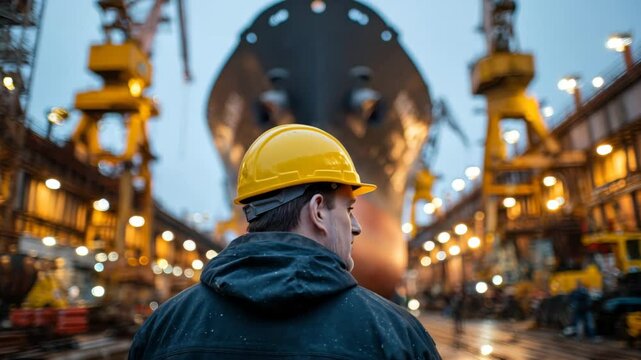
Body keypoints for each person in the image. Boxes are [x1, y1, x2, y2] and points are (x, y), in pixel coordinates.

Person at [129, 124, 441, 359]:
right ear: (318, 210)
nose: (358, 227)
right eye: (349, 209)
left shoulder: (165, 327)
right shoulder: (394, 335)